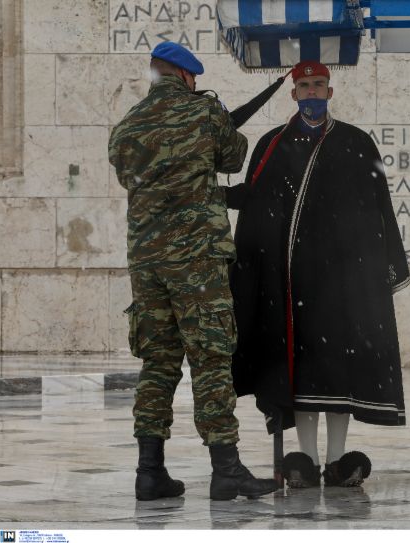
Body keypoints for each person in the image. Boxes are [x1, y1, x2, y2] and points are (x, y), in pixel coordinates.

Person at [108, 41, 280, 501]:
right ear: (186, 76)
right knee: (210, 359)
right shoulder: (204, 113)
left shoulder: (128, 125)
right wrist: (218, 117)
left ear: (155, 73)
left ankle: (150, 472)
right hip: (196, 259)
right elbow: (234, 156)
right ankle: (226, 469)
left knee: (158, 362)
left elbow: (130, 176)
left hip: (147, 261)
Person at [228, 60, 410, 488]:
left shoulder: (356, 142)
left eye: (319, 85)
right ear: (293, 93)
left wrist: (381, 265)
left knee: (338, 371)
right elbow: (257, 207)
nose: (312, 92)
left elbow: (378, 209)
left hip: (343, 281)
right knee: (300, 373)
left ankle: (337, 458)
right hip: (291, 282)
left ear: (330, 91)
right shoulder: (273, 144)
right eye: (305, 86)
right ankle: (305, 459)